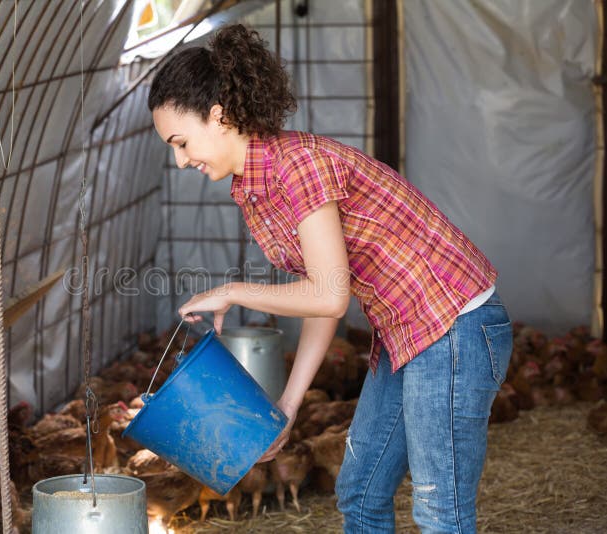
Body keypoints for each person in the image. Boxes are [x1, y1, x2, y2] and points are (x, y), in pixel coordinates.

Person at [148, 23, 513, 534]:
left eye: (182, 142)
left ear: (219, 115)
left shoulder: (296, 167)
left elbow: (329, 294)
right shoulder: (253, 191)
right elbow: (321, 299)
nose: (180, 159)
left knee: (440, 512)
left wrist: (232, 290)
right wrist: (288, 406)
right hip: (408, 333)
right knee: (359, 491)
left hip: (455, 325)